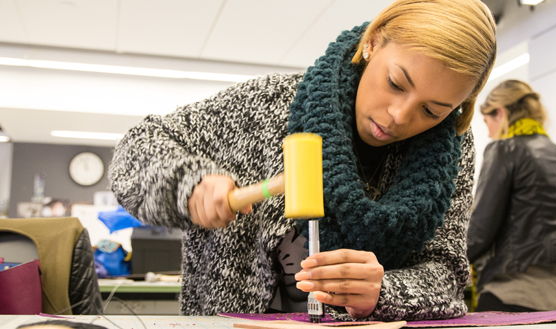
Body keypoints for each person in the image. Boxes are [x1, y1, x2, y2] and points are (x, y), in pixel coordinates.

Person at [109, 0, 496, 321]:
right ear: (374, 43)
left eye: (432, 110)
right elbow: (135, 152)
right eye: (396, 83)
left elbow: (445, 271)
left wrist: (385, 290)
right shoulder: (266, 105)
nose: (399, 115)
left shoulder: (453, 149)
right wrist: (188, 184)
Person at [468, 79, 556, 312]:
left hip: (518, 289)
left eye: (486, 123)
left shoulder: (504, 149)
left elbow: (481, 229)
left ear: (500, 113)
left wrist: (448, 261)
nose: (489, 134)